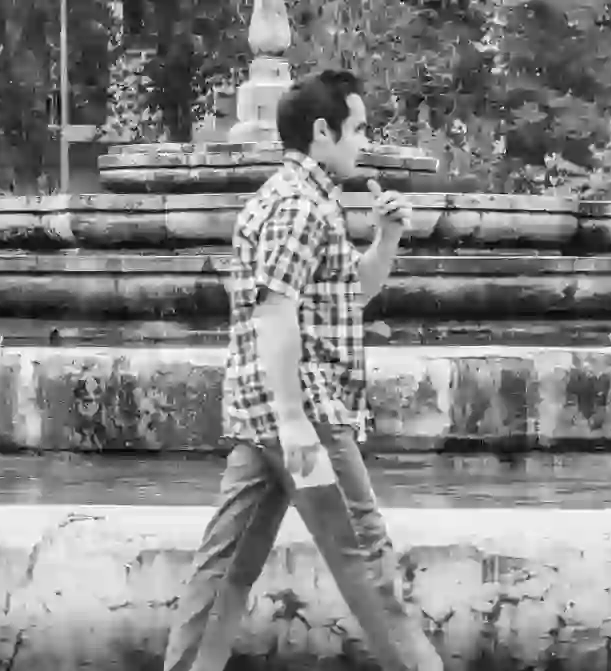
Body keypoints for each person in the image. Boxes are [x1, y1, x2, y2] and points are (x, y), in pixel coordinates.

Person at [162, 69, 444, 671]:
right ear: (323, 131)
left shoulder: (299, 200)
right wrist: (294, 422)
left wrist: (387, 237)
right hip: (305, 418)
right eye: (358, 129)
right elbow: (275, 310)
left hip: (263, 415)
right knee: (369, 563)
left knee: (223, 573)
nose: (364, 142)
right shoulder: (300, 208)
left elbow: (349, 296)